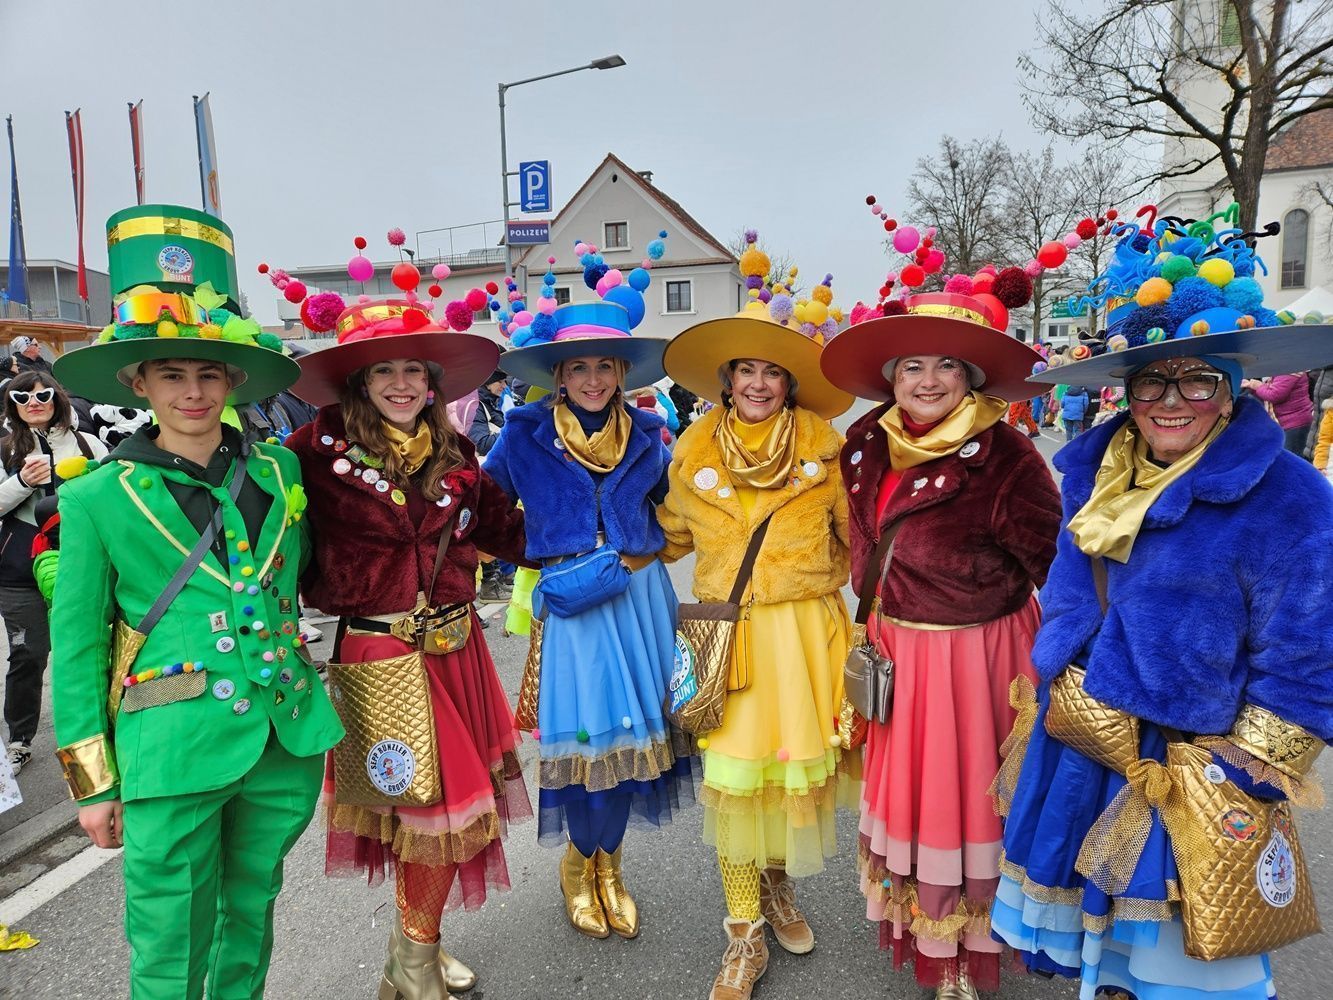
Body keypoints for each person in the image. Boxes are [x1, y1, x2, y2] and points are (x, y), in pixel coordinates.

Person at [994, 222, 1333, 999]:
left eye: (1197, 382)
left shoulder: (1290, 497)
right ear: (1126, 389)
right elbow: (1067, 587)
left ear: (1230, 388)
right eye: (1152, 382)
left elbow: (1306, 660)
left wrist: (1236, 774)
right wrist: (1059, 671)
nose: (1170, 401)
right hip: (1084, 743)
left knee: (1179, 963)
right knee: (1102, 955)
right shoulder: (1094, 474)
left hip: (1191, 766)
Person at [49, 213, 344, 1000]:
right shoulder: (97, 498)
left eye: (209, 375)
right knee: (169, 937)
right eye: (172, 373)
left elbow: (303, 573)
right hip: (169, 746)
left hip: (280, 737)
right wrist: (92, 783)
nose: (192, 391)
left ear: (234, 382)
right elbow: (75, 648)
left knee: (251, 914)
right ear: (137, 382)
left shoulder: (281, 471)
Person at [820, 272, 1062, 999]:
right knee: (913, 804)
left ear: (972, 376)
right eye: (913, 366)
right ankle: (926, 932)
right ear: (891, 376)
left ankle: (968, 945)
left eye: (946, 365)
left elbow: (1056, 563)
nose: (927, 380)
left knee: (968, 803)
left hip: (978, 656)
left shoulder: (1007, 458)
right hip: (897, 648)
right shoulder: (865, 442)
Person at [287, 291, 532, 1000]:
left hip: (458, 656)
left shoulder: (453, 451)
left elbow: (506, 531)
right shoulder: (309, 451)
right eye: (382, 370)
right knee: (423, 813)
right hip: (381, 657)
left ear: (432, 384)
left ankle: (410, 951)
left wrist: (593, 509)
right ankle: (417, 961)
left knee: (446, 813)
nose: (400, 383)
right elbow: (274, 542)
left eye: (413, 371)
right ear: (358, 383)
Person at [658, 270, 860, 1000]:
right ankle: (742, 934)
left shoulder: (827, 451)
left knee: (787, 777)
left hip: (806, 635)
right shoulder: (689, 451)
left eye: (772, 371)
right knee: (735, 783)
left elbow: (860, 540)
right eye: (745, 369)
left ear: (789, 382)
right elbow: (666, 538)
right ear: (725, 378)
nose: (757, 383)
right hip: (728, 636)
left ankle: (776, 889)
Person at [486, 258, 694, 945]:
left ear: (621, 372)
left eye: (605, 366)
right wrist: (541, 555)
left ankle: (612, 868)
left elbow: (682, 512)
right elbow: (483, 512)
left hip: (639, 601)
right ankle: (579, 867)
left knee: (635, 740)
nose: (594, 380)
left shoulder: (645, 434)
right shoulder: (522, 432)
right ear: (558, 375)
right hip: (574, 608)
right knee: (587, 745)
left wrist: (650, 550)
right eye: (579, 369)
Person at [0, 372, 106, 774]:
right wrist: (22, 482)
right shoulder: (4, 448)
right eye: (22, 396)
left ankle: (100, 732)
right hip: (19, 570)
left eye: (42, 394)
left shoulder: (85, 442)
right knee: (28, 653)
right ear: (12, 403)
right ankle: (21, 738)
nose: (34, 402)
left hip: (83, 563)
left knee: (89, 648)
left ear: (56, 398)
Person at [467, 370, 514, 603]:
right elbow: (482, 442)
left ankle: (500, 579)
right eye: (500, 381)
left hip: (500, 479)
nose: (504, 385)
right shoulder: (476, 406)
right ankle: (489, 585)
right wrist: (515, 430)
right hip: (484, 476)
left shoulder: (497, 402)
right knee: (487, 529)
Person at [1242, 371, 1313, 453]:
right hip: (1286, 424)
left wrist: (1257, 386)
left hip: (1294, 424)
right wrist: (1252, 388)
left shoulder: (1290, 371)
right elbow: (1267, 395)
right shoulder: (1281, 371)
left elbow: (1274, 395)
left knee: (1292, 458)